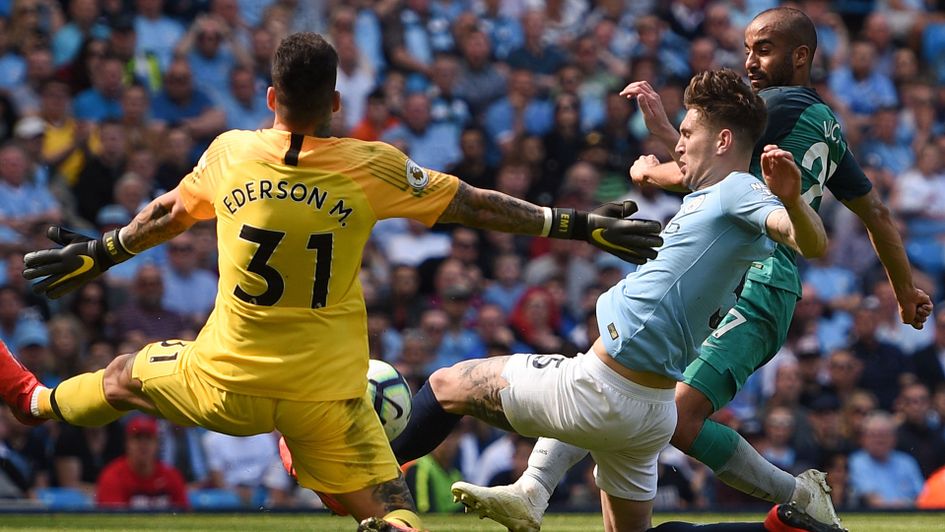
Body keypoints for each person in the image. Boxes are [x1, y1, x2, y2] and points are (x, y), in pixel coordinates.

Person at [8, 32, 662, 532]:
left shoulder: (231, 153)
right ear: (336, 103)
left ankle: (33, 403)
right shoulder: (368, 167)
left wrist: (100, 250)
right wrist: (576, 225)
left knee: (122, 376)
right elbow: (475, 204)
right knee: (396, 511)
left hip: (223, 382)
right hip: (325, 399)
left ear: (271, 97)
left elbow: (168, 214)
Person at [443, 7, 934, 531]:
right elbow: (873, 212)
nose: (749, 60)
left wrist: (654, 169)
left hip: (761, 281)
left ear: (800, 56)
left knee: (676, 415)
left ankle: (798, 498)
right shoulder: (824, 122)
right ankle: (532, 491)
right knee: (615, 373)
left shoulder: (776, 105)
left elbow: (716, 181)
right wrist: (904, 291)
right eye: (747, 47)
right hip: (738, 276)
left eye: (762, 49)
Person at [397, 68, 828, 532]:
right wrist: (654, 147)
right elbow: (685, 174)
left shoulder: (740, 191)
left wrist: (794, 202)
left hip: (605, 391)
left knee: (446, 385)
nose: (678, 145)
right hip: (650, 407)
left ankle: (367, 477)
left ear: (722, 141)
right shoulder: (716, 195)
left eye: (686, 134)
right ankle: (786, 529)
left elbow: (809, 242)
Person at [96, 415, 189, 510]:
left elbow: (184, 515)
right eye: (137, 438)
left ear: (157, 444)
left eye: (148, 438)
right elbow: (112, 520)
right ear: (126, 443)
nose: (143, 444)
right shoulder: (112, 476)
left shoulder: (171, 476)